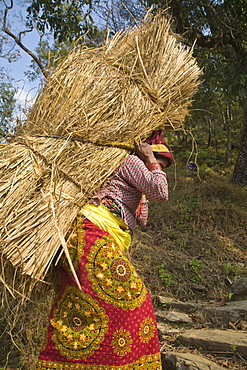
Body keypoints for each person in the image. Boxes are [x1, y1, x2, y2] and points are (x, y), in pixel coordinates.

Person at [35, 130, 174, 370]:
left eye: (161, 165)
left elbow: (143, 219)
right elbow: (162, 191)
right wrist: (151, 162)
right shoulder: (131, 161)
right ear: (143, 153)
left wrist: (142, 193)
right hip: (93, 231)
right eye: (156, 161)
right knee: (134, 300)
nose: (158, 168)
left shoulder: (132, 173)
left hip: (97, 234)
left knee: (82, 310)